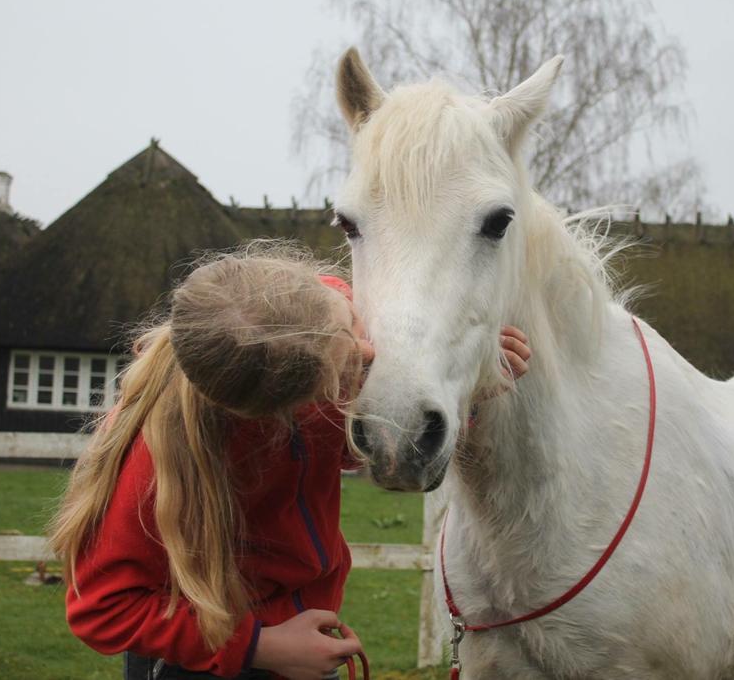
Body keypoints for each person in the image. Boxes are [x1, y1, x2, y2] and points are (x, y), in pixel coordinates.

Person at [48, 243, 530, 680]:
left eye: (352, 325)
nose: (366, 352)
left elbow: (344, 442)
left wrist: (466, 389)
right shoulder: (157, 455)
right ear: (277, 412)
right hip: (205, 658)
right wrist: (261, 646)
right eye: (345, 369)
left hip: (304, 647)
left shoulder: (314, 320)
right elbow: (101, 608)